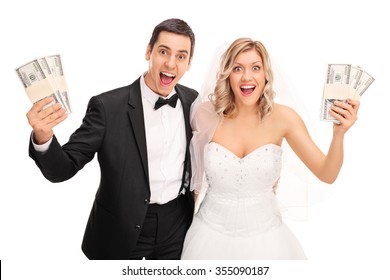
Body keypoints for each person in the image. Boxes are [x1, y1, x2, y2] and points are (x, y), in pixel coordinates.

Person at [27, 18, 199, 260]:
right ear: (148, 51)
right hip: (122, 230)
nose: (171, 63)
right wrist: (43, 135)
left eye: (181, 56)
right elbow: (63, 169)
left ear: (189, 62)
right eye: (163, 51)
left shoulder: (194, 102)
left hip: (177, 226)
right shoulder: (107, 107)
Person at [181, 38, 359, 260]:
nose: (247, 77)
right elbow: (194, 183)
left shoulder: (285, 118)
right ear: (227, 74)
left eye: (255, 67)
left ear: (266, 74)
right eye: (238, 68)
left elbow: (327, 174)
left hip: (267, 242)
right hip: (207, 237)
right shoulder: (204, 114)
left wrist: (338, 135)